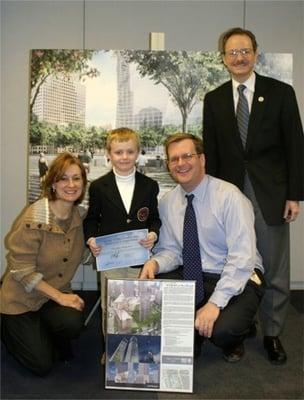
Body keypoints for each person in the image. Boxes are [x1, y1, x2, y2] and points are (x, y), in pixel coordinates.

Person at [202, 27, 304, 365]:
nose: (239, 58)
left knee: (273, 269)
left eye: (245, 51)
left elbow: (295, 146)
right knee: (233, 263)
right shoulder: (213, 99)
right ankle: (242, 326)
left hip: (270, 195)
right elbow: (212, 154)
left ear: (256, 53)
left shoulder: (281, 93)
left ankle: (273, 333)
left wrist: (294, 195)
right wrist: (210, 197)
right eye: (232, 53)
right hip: (229, 196)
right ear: (223, 58)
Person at [140, 133, 264, 363]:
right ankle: (199, 323)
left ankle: (241, 330)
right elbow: (172, 251)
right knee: (159, 312)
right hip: (193, 273)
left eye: (187, 156)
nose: (180, 163)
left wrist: (215, 303)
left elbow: (242, 258)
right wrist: (154, 262)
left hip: (239, 275)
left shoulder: (229, 197)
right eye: (174, 159)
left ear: (202, 159)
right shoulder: (167, 203)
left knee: (222, 331)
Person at [1, 152, 88, 376]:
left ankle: (41, 332)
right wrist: (60, 297)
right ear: (52, 183)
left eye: (77, 178)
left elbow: (78, 254)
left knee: (73, 320)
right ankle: (9, 327)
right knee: (41, 365)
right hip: (21, 300)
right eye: (63, 178)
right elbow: (21, 269)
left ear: (83, 183)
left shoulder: (79, 215)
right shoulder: (35, 216)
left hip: (49, 296)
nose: (71, 184)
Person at [83, 127, 161, 350]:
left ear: (138, 153)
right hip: (111, 259)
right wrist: (91, 240)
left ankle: (139, 349)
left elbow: (154, 218)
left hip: (139, 258)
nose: (124, 157)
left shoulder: (149, 186)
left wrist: (153, 234)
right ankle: (112, 352)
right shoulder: (98, 187)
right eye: (118, 152)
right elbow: (91, 220)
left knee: (139, 305)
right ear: (109, 154)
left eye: (129, 151)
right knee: (112, 307)